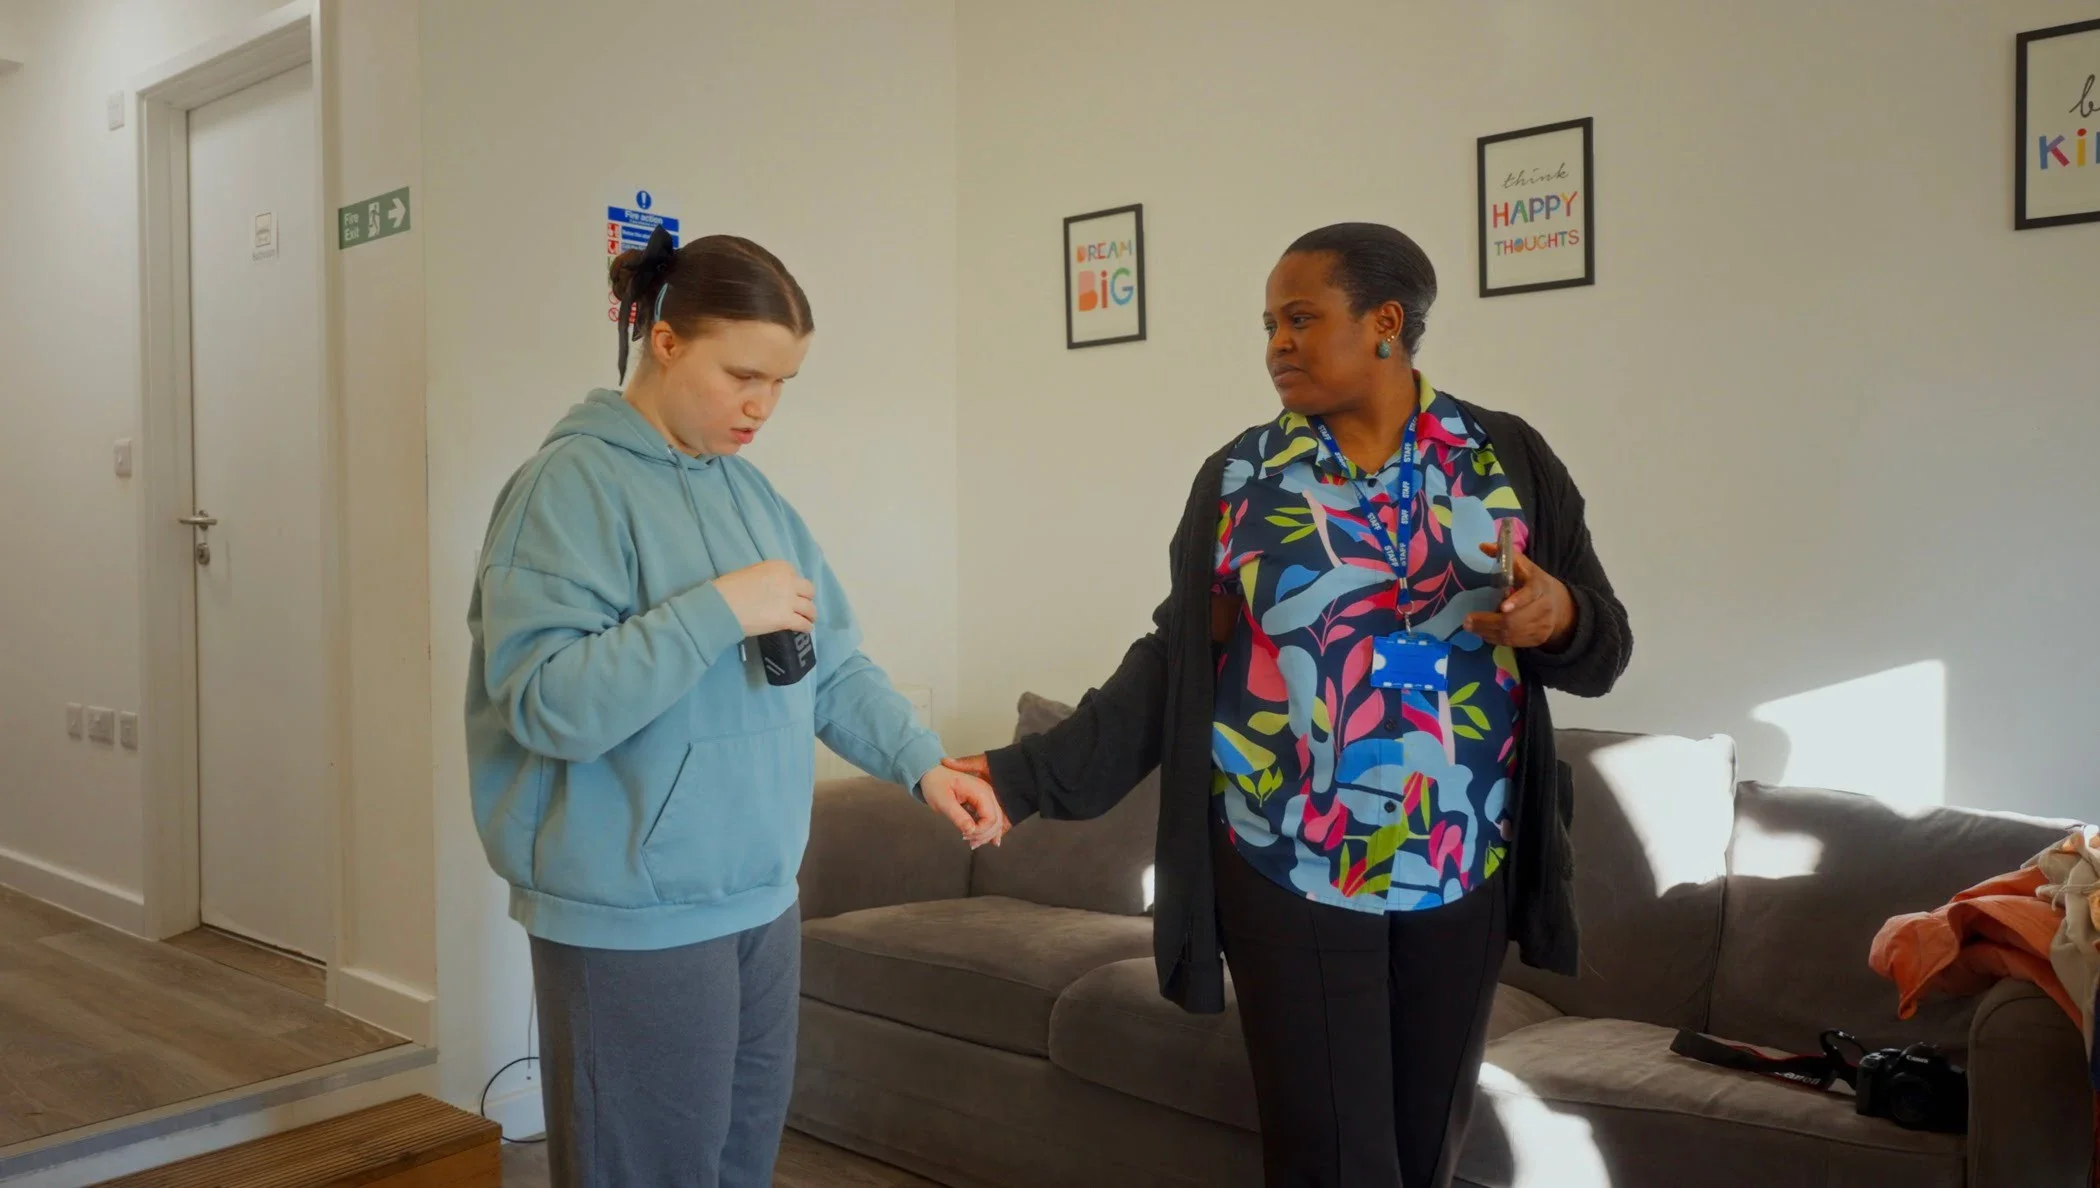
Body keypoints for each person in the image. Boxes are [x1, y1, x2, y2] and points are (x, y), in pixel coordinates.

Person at [949, 223, 1631, 1187]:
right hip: (1290, 852)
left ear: (1386, 323)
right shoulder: (1242, 479)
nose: (1277, 344)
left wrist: (1561, 617)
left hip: (1463, 853)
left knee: (1423, 1153)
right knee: (1330, 1161)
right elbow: (1178, 657)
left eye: (1301, 319)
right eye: (1269, 324)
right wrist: (1024, 778)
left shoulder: (1505, 458)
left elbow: (1605, 648)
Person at [465, 227, 1002, 1187]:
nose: (763, 405)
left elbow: (830, 664)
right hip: (631, 914)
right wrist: (715, 611)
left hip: (760, 896)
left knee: (738, 1167)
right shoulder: (568, 488)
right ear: (666, 342)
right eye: (743, 375)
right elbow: (548, 704)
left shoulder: (753, 496)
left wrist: (923, 761)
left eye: (783, 382)